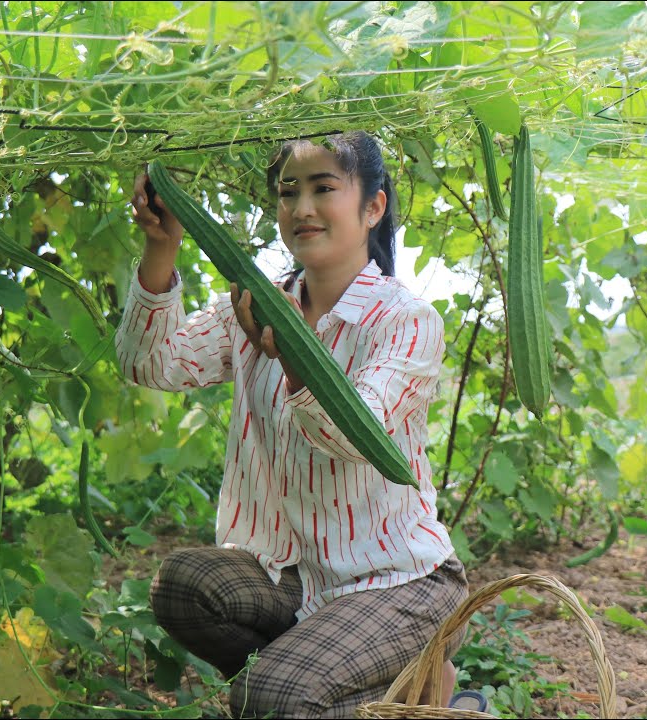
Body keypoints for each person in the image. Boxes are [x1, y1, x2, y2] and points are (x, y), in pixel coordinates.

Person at [115, 131, 469, 718]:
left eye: (323, 188)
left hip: (399, 583)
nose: (301, 208)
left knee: (268, 697)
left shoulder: (406, 321)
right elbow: (150, 363)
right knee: (184, 586)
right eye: (287, 192)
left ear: (373, 206)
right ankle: (394, 693)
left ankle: (340, 691)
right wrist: (161, 246)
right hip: (294, 575)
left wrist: (293, 362)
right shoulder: (258, 304)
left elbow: (357, 434)